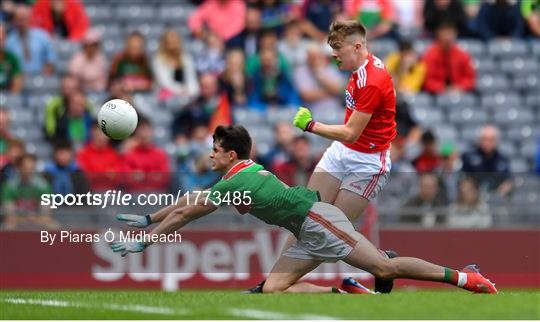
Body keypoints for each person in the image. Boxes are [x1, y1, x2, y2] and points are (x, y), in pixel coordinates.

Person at [111, 125, 497, 295]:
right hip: (304, 231)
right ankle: (347, 292)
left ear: (230, 155)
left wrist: (145, 241)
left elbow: (185, 215)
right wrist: (148, 218)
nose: (209, 154)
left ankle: (465, 278)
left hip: (319, 222)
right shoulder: (242, 173)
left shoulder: (236, 181)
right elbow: (188, 203)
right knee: (273, 288)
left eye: (215, 149)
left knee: (385, 268)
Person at [291, 20, 397, 293]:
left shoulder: (372, 79)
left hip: (367, 162)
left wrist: (311, 126)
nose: (333, 54)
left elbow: (351, 132)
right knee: (303, 216)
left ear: (358, 46)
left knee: (327, 232)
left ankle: (384, 265)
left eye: (338, 48)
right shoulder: (358, 68)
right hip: (342, 152)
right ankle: (273, 282)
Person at [1, 153, 58, 230]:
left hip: (38, 221)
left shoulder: (43, 186)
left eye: (31, 168)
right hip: (17, 222)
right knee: (7, 227)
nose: (28, 171)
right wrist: (23, 219)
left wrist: (35, 219)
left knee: (54, 227)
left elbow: (46, 215)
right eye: (25, 168)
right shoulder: (10, 187)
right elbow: (9, 215)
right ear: (19, 167)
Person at [422, 21, 475, 94]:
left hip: (460, 93)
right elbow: (427, 80)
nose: (447, 37)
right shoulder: (430, 55)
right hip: (436, 94)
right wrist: (443, 89)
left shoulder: (463, 55)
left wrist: (459, 87)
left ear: (455, 34)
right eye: (444, 34)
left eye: (450, 33)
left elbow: (469, 78)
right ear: (438, 34)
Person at [461, 124, 512, 197]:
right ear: (479, 140)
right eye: (485, 139)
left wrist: (501, 191)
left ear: (497, 141)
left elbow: (508, 181)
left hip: (496, 199)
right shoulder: (469, 158)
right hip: (474, 199)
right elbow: (463, 179)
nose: (488, 143)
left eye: (491, 139)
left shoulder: (503, 159)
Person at [5, 4, 56, 75]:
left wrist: (43, 80)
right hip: (18, 79)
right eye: (19, 19)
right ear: (14, 20)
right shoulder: (9, 42)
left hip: (39, 78)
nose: (21, 23)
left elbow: (51, 59)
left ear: (30, 18)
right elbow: (7, 65)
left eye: (24, 19)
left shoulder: (42, 37)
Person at [293, 43, 345, 113]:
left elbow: (339, 90)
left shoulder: (331, 69)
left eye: (318, 56)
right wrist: (331, 92)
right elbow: (307, 96)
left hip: (335, 110)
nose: (316, 59)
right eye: (312, 57)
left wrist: (320, 75)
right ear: (307, 58)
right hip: (313, 112)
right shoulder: (301, 71)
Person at [123, 117, 170, 193]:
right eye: (141, 130)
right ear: (136, 133)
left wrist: (142, 177)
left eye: (146, 130)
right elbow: (127, 179)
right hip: (135, 196)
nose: (144, 134)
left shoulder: (160, 154)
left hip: (156, 195)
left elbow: (165, 179)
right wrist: (153, 176)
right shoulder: (129, 155)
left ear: (151, 132)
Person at [153, 29, 199, 102]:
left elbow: (191, 78)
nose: (172, 45)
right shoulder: (159, 60)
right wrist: (180, 90)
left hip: (186, 95)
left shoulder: (186, 58)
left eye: (175, 42)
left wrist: (192, 91)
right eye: (170, 43)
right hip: (167, 97)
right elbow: (165, 82)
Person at [77, 123, 123, 191]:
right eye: (98, 134)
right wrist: (105, 174)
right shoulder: (83, 153)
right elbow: (85, 176)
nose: (101, 137)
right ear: (92, 134)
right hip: (90, 191)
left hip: (111, 191)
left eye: (104, 134)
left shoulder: (113, 154)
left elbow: (118, 175)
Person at [0, 23, 23, 93]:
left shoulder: (12, 58)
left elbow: (17, 83)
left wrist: (10, 100)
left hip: (7, 98)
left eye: (2, 38)